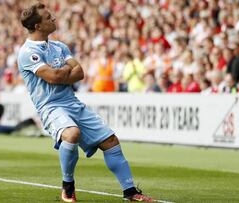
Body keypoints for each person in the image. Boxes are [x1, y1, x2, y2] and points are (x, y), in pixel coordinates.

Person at [17, 3, 153, 202]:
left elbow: (79, 72)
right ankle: (68, 186)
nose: (53, 18)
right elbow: (54, 77)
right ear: (38, 26)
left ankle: (130, 192)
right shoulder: (27, 52)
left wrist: (60, 72)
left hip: (72, 102)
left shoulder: (59, 46)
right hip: (50, 106)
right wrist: (64, 70)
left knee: (111, 141)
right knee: (71, 134)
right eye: (48, 17)